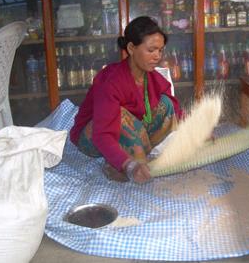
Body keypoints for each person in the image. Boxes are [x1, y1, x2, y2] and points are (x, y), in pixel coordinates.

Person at [70, 16, 183, 183]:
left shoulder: (152, 78)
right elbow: (102, 134)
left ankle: (137, 154)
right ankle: (119, 163)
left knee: (166, 104)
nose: (157, 56)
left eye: (160, 50)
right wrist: (130, 166)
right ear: (131, 48)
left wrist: (195, 131)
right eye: (151, 50)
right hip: (93, 137)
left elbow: (174, 108)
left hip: (130, 131)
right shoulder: (111, 80)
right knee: (121, 116)